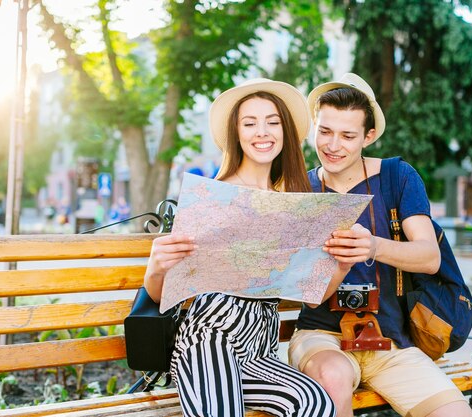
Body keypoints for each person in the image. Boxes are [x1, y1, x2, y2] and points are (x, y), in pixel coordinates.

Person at [143, 78, 337, 417]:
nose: (262, 131)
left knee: (314, 403)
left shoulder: (291, 206)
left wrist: (343, 264)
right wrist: (156, 268)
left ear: (285, 132)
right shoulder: (212, 197)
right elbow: (162, 295)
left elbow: (313, 294)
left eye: (272, 122)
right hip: (210, 339)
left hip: (260, 349)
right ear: (237, 134)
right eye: (250, 123)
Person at [288, 73, 472, 417]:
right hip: (321, 337)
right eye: (325, 132)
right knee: (332, 377)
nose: (332, 145)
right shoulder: (300, 187)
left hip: (392, 342)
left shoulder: (397, 176)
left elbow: (429, 257)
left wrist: (373, 246)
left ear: (368, 136)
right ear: (314, 126)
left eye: (347, 136)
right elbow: (297, 285)